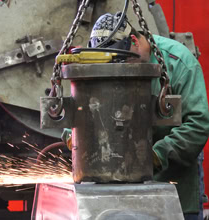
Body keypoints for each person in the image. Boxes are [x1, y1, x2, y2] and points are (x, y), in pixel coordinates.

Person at [63, 12, 209, 219]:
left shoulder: (179, 63)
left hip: (173, 185)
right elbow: (86, 110)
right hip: (115, 191)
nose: (117, 69)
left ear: (133, 41)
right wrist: (75, 135)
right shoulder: (106, 65)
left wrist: (156, 156)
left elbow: (197, 125)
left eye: (121, 61)